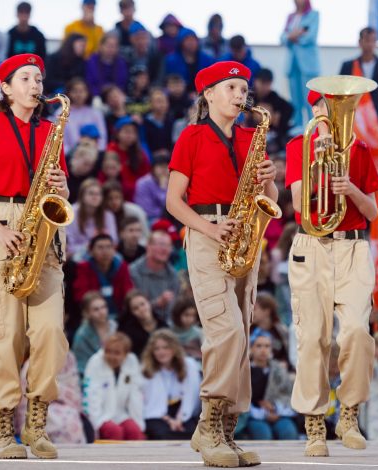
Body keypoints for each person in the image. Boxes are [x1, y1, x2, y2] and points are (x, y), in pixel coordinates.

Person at [166, 60, 278, 467]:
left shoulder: (253, 136)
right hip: (207, 232)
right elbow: (173, 201)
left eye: (243, 88)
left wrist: (269, 177)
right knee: (226, 330)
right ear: (208, 94)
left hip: (246, 235)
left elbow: (272, 197)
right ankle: (207, 425)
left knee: (242, 336)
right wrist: (208, 229)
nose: (240, 94)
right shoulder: (191, 136)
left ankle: (227, 431)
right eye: (231, 87)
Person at [0, 53, 70, 459]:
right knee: (3, 337)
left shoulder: (50, 131)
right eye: (26, 78)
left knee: (50, 333)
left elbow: (62, 193)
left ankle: (37, 421)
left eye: (39, 78)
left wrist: (62, 186)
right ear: (5, 87)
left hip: (43, 229)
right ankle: (3, 429)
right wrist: (0, 229)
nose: (36, 85)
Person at [286, 89, 378, 457]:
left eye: (334, 106)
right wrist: (321, 165)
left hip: (353, 246)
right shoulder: (300, 146)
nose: (328, 112)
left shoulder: (359, 150)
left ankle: (349, 413)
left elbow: (373, 212)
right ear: (312, 110)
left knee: (358, 331)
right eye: (322, 106)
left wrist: (351, 189)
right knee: (312, 337)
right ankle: (314, 423)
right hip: (312, 245)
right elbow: (297, 203)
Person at [339, 26, 378, 149]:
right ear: (360, 42)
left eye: (373, 40)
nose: (370, 44)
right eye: (367, 40)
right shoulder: (348, 67)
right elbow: (339, 99)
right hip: (354, 126)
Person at [83, 332, 145, 441]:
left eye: (117, 353)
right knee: (114, 432)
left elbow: (136, 396)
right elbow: (91, 397)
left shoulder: (132, 362)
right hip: (100, 414)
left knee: (134, 431)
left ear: (126, 354)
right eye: (108, 351)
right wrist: (95, 425)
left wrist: (139, 423)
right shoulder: (95, 362)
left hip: (120, 413)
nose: (111, 356)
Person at [141, 329, 201, 440]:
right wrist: (169, 420)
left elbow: (190, 396)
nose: (161, 352)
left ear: (174, 349)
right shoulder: (147, 370)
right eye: (157, 349)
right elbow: (150, 404)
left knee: (193, 434)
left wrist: (179, 419)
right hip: (158, 415)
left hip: (182, 413)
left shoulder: (189, 365)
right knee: (162, 434)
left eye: (165, 347)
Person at [245, 330, 298, 440]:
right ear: (251, 348)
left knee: (289, 431)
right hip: (253, 414)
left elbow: (288, 393)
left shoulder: (279, 369)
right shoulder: (244, 370)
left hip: (278, 413)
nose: (263, 350)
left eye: (267, 346)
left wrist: (275, 408)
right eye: (258, 346)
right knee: (263, 434)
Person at [72, 234, 134, 318]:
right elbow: (81, 295)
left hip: (120, 314)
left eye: (109, 247)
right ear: (91, 251)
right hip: (94, 314)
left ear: (114, 250)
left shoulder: (122, 266)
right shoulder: (84, 268)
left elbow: (128, 291)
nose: (105, 251)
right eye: (100, 247)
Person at [280, 0, 320, 127]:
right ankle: (297, 127)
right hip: (293, 65)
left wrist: (291, 36)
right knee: (295, 99)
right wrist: (295, 35)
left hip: (308, 65)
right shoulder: (291, 17)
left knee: (309, 99)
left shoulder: (314, 15)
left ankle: (312, 128)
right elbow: (282, 38)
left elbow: (310, 37)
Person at [129, 229, 180, 322]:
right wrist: (158, 303)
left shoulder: (173, 274)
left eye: (168, 246)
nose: (165, 249)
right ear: (148, 246)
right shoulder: (133, 271)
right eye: (161, 244)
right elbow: (132, 308)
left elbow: (174, 310)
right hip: (138, 323)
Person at [72, 291, 117, 374]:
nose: (102, 312)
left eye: (104, 307)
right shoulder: (82, 335)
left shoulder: (115, 326)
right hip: (94, 375)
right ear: (87, 313)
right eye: (96, 309)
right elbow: (81, 365)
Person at [119, 289, 166, 357]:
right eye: (136, 308)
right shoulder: (129, 332)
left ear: (149, 303)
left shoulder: (163, 324)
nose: (141, 309)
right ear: (132, 313)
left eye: (142, 304)